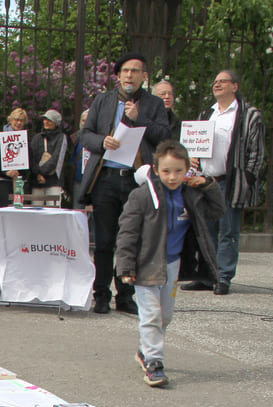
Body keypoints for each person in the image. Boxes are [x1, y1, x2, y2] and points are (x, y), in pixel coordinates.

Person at [116, 141, 224, 387]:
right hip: (145, 266)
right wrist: (125, 267)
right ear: (155, 170)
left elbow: (217, 211)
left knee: (165, 315)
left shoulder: (191, 195)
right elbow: (127, 233)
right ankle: (154, 363)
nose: (172, 177)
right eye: (166, 171)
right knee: (151, 314)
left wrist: (208, 186)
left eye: (178, 171)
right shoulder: (142, 195)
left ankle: (145, 351)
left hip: (172, 265)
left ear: (187, 169)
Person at [76, 53, 171, 314]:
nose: (130, 75)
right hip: (105, 178)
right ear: (118, 75)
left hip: (136, 180)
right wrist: (101, 142)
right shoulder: (103, 100)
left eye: (135, 71)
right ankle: (102, 295)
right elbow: (85, 134)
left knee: (131, 241)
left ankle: (126, 296)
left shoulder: (153, 104)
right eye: (126, 71)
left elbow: (164, 135)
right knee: (105, 242)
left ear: (144, 77)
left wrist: (140, 118)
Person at [182, 69, 265, 295]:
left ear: (234, 86)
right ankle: (207, 275)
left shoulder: (249, 115)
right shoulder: (207, 114)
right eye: (215, 81)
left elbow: (256, 153)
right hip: (204, 180)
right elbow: (194, 146)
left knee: (228, 231)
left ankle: (223, 277)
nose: (217, 85)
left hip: (230, 181)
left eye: (222, 81)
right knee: (206, 230)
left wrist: (246, 178)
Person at [0, 107, 33, 209]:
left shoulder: (26, 139)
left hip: (19, 183)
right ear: (11, 120)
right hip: (3, 182)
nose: (18, 123)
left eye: (21, 120)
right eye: (16, 119)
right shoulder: (1, 137)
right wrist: (6, 171)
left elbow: (29, 161)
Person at [31, 109, 68, 204]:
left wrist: (42, 173)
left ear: (56, 122)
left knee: (53, 212)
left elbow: (57, 158)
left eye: (49, 120)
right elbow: (31, 158)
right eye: (44, 119)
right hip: (37, 182)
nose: (46, 122)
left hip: (54, 182)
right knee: (36, 211)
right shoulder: (37, 138)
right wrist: (37, 174)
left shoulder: (61, 137)